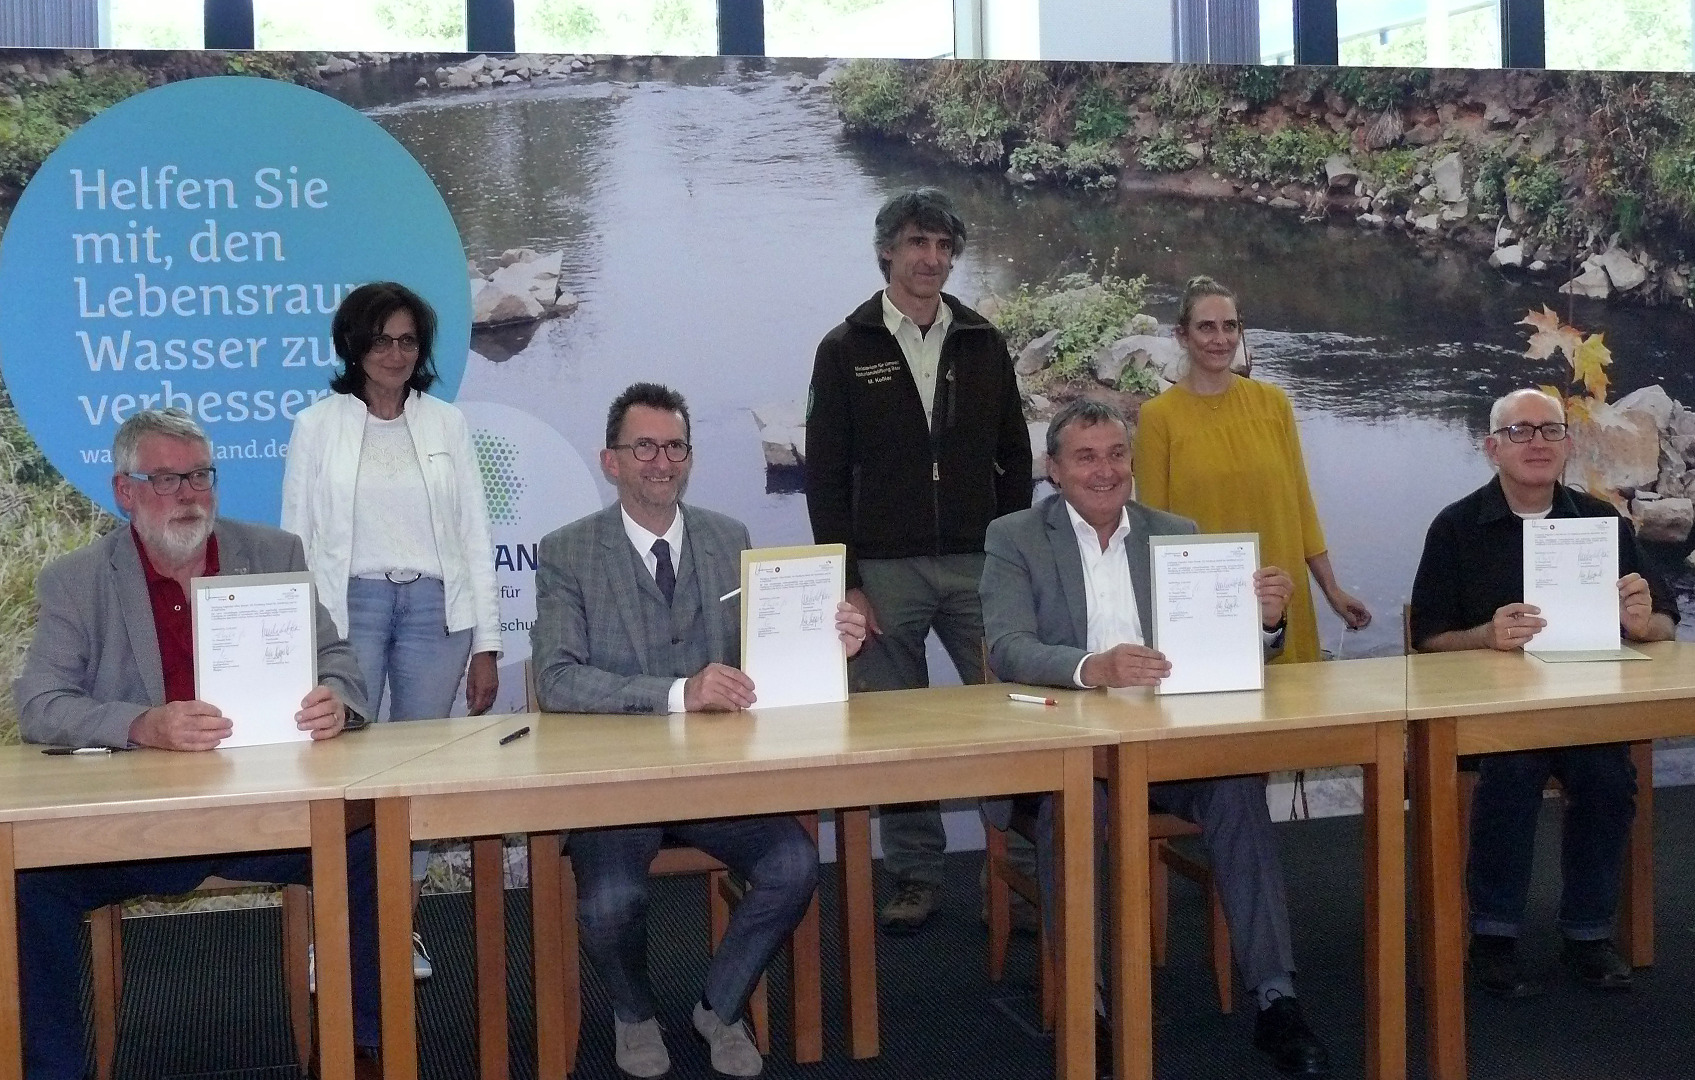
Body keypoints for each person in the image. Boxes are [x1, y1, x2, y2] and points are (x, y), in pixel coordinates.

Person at [12, 408, 381, 1080]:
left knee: (370, 840)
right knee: (27, 880)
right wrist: (141, 725)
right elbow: (40, 705)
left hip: (269, 817)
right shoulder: (77, 580)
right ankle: (54, 1070)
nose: (189, 496)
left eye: (201, 477)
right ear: (125, 491)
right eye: (167, 480)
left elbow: (339, 661)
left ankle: (359, 1048)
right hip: (135, 828)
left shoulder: (274, 553)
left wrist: (337, 700)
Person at [981, 398, 1331, 1078]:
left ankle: (1275, 999)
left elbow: (1220, 653)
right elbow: (1007, 647)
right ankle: (1092, 1005)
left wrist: (1261, 622)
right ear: (1053, 469)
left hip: (1167, 749)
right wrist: (1093, 667)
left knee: (1237, 790)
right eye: (1085, 457)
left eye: (1115, 454)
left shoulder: (1177, 533)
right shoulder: (1015, 536)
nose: (1104, 470)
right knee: (1073, 811)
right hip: (1071, 753)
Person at [531, 382, 867, 1079]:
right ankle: (632, 1013)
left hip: (720, 785)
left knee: (794, 866)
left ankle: (718, 1005)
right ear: (611, 461)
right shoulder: (567, 552)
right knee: (609, 901)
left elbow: (762, 663)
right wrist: (681, 693)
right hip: (618, 788)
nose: (661, 460)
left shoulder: (728, 538)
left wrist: (825, 638)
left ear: (690, 457)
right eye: (643, 446)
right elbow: (559, 681)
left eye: (675, 446)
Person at [805, 187, 1034, 932]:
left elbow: (1014, 457)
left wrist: (1011, 565)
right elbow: (826, 476)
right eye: (916, 245)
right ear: (886, 252)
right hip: (886, 572)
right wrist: (848, 581)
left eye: (942, 247)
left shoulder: (982, 340)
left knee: (1012, 715)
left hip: (978, 566)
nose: (930, 260)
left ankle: (1030, 866)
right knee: (897, 731)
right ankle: (914, 875)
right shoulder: (845, 348)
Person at [1410, 387, 1676, 997]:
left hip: (1584, 707)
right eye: (1521, 431)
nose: (1536, 442)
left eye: (1549, 431)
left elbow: (1663, 622)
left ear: (1567, 445)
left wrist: (1641, 625)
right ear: (1492, 448)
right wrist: (1484, 635)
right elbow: (1426, 639)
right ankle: (1494, 935)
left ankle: (1588, 934)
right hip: (1493, 716)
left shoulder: (1602, 520)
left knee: (1608, 776)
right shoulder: (1455, 527)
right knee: (1512, 770)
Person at [283, 280, 501, 980]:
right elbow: (296, 538)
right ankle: (333, 937)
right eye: (382, 339)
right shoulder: (318, 425)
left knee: (413, 777)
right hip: (350, 609)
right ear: (355, 344)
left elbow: (475, 536)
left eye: (408, 340)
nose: (396, 353)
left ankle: (398, 928)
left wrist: (487, 643)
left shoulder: (446, 424)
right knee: (338, 772)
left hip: (437, 616)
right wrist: (299, 643)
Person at [1133, 276, 1369, 664]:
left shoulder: (1273, 404)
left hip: (1283, 590)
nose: (1220, 338)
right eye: (1206, 327)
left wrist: (1332, 591)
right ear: (1181, 335)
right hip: (1207, 602)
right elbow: (1153, 532)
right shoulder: (1158, 418)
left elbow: (1301, 505)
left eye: (1230, 326)